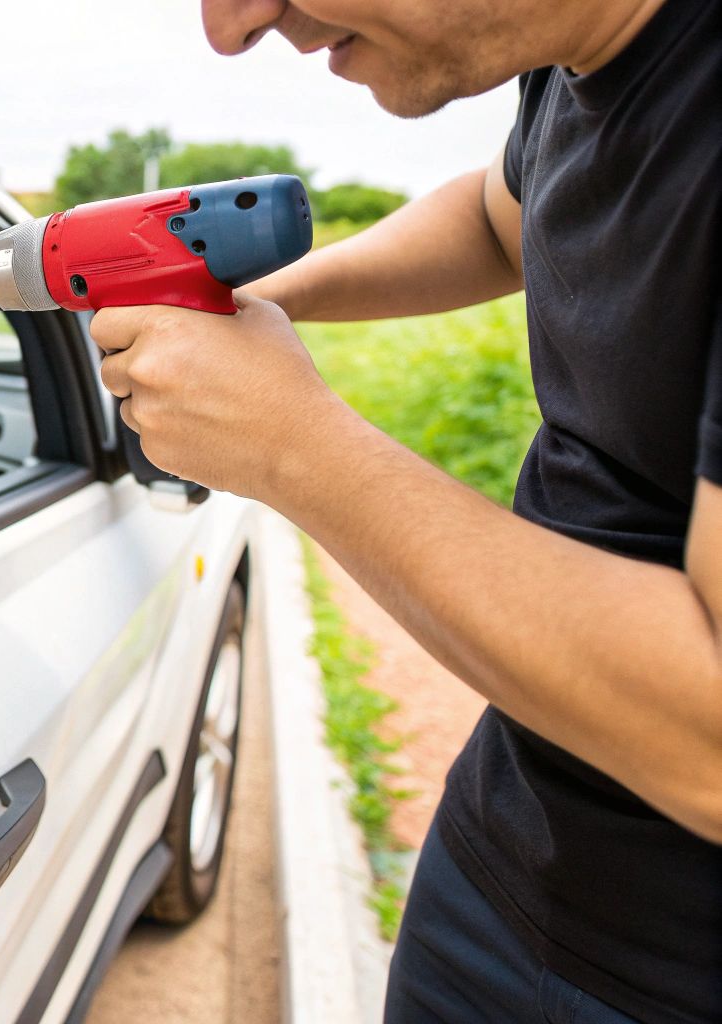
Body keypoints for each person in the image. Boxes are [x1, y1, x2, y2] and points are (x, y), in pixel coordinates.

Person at [94, 1, 719, 1020]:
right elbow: (494, 215)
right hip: (495, 860)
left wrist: (291, 444)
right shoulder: (576, 60)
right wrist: (259, 305)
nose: (231, 26)